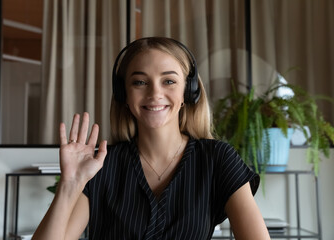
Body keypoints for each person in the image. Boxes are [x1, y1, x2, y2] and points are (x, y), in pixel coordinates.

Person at [33, 37, 270, 240]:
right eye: (140, 82)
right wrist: (71, 184)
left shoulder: (217, 159)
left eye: (169, 81)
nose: (155, 93)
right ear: (123, 94)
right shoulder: (102, 166)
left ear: (188, 92)